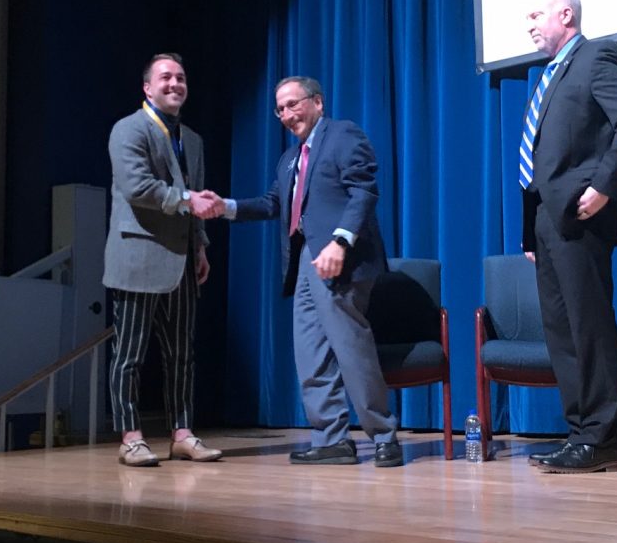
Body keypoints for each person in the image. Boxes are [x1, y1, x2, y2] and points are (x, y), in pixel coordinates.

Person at [207, 76, 403, 467]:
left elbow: (364, 190)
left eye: (293, 104)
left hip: (339, 260)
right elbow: (271, 204)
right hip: (304, 265)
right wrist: (224, 207)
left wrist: (340, 242)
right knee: (310, 355)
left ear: (317, 102)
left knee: (351, 349)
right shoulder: (289, 160)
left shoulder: (343, 135)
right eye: (279, 109)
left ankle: (384, 436)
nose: (285, 115)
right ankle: (331, 439)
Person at [519, 0, 617, 473]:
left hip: (581, 216)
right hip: (548, 225)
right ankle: (580, 436)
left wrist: (603, 187)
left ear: (565, 14)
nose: (529, 24)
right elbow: (539, 161)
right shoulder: (551, 75)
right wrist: (529, 236)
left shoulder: (596, 56)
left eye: (535, 14)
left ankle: (601, 439)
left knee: (588, 327)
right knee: (562, 333)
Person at [103, 52, 223, 467]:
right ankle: (131, 437)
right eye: (166, 77)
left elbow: (199, 199)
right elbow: (139, 188)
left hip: (182, 262)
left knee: (182, 355)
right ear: (147, 87)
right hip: (137, 257)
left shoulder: (192, 139)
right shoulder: (128, 129)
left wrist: (201, 246)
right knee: (129, 355)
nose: (175, 84)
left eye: (181, 78)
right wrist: (189, 200)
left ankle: (182, 434)